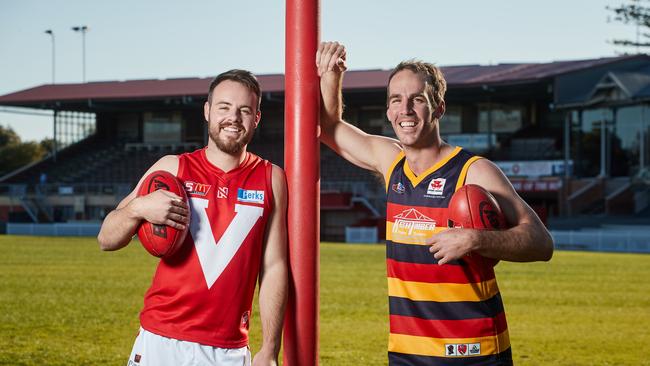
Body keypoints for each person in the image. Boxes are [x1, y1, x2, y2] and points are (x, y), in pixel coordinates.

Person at [317, 42, 553, 365]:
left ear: (439, 108)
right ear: (388, 112)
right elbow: (329, 128)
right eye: (396, 101)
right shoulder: (391, 163)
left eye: (418, 100)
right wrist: (332, 75)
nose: (406, 110)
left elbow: (542, 243)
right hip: (408, 354)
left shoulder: (473, 171)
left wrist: (476, 239)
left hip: (474, 352)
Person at [97, 69, 288, 366]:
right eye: (224, 107)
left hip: (228, 350)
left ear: (256, 118)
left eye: (244, 110)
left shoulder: (271, 178)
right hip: (161, 339)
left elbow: (274, 265)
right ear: (208, 111)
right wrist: (139, 208)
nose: (233, 118)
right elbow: (106, 239)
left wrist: (270, 348)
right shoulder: (172, 169)